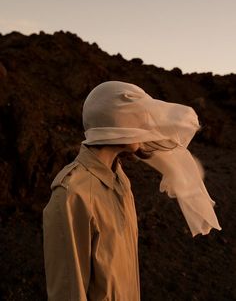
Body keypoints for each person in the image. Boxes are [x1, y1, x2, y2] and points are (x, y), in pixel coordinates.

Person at [43, 81, 221, 301]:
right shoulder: (72, 194)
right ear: (113, 121)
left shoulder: (121, 181)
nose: (145, 126)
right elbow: (68, 293)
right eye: (136, 115)